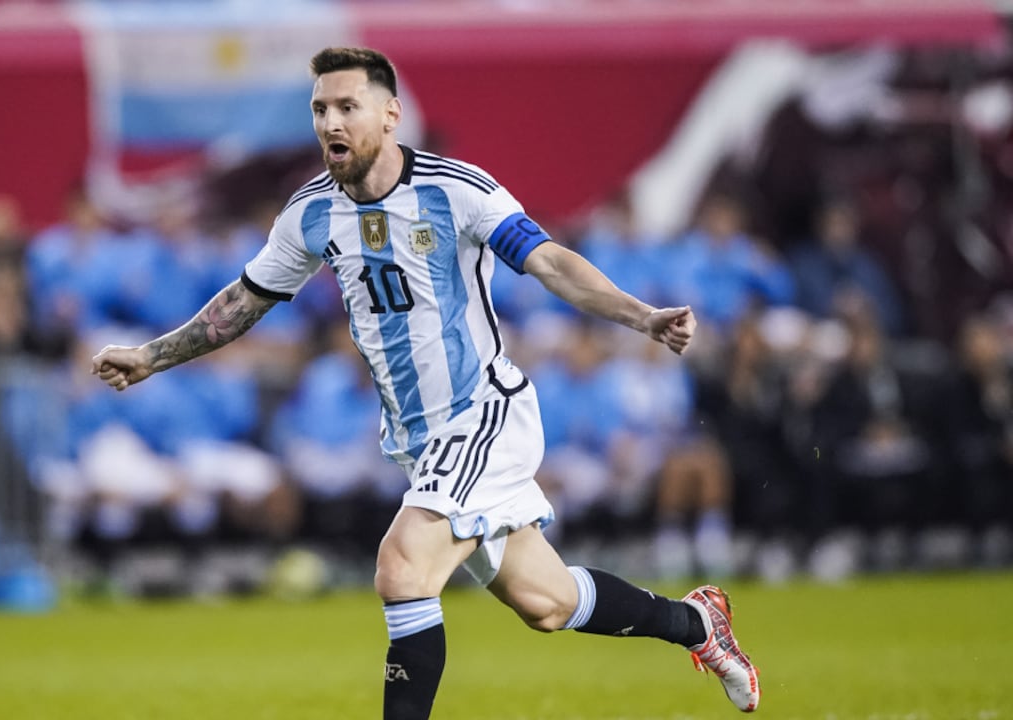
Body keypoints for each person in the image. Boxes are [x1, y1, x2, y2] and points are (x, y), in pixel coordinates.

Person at [91, 47, 760, 717]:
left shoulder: (455, 189)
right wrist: (152, 357)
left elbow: (550, 262)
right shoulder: (310, 215)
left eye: (348, 107)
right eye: (321, 109)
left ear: (390, 114)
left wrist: (642, 316)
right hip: (420, 440)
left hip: (483, 415)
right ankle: (698, 624)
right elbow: (243, 301)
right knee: (547, 602)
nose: (331, 123)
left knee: (402, 565)